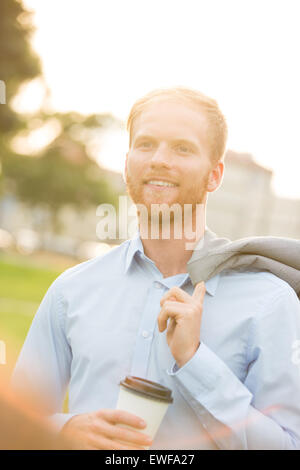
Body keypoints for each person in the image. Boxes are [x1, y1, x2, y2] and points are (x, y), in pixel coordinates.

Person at [11, 87, 300, 450]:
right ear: (128, 160)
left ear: (215, 175)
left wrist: (195, 361)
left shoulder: (269, 302)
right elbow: (14, 426)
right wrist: (65, 432)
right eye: (146, 144)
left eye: (182, 148)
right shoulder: (71, 291)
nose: (159, 160)